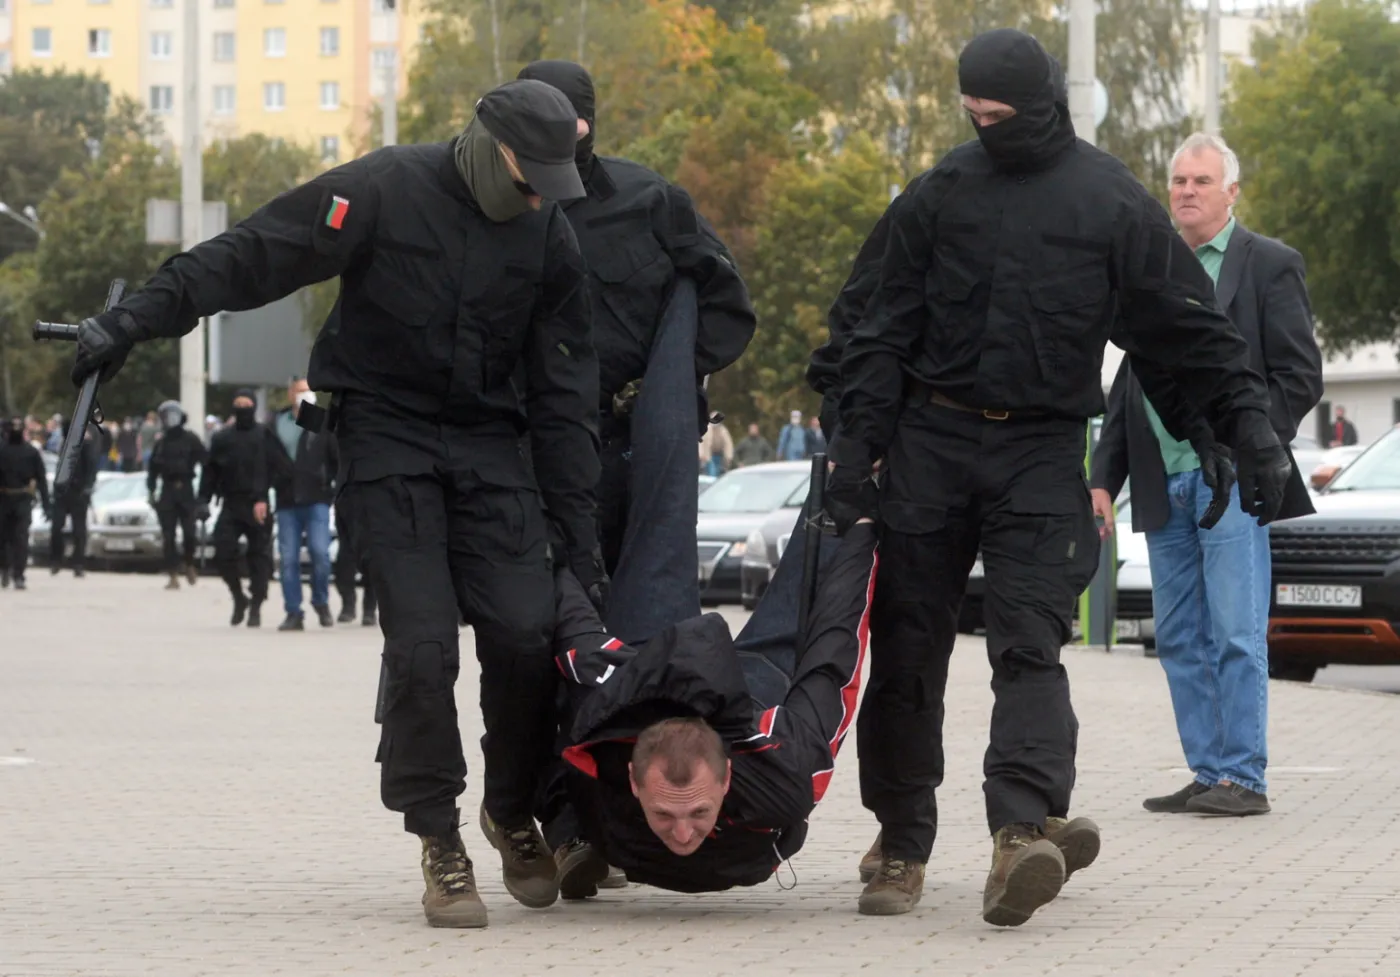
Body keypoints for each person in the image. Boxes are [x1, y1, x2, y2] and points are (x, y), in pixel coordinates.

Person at [69, 79, 603, 929]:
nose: (539, 197)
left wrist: (580, 537)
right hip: (387, 441)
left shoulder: (549, 234)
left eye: (552, 184)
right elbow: (254, 253)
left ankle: (509, 807)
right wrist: (134, 319)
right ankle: (439, 836)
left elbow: (565, 393)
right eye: (528, 178)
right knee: (422, 647)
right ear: (490, 145)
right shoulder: (383, 189)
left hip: (489, 447)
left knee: (526, 633)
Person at [826, 29, 1294, 926]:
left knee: (1029, 644)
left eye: (1000, 114)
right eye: (973, 114)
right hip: (929, 442)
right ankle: (902, 840)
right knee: (908, 649)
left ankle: (1021, 831)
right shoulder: (939, 192)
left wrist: (1249, 430)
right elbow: (872, 325)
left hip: (1042, 451)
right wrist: (852, 448)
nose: (986, 127)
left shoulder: (1109, 200)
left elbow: (1183, 330)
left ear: (1042, 104)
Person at [1091, 132, 1322, 818]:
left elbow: (1298, 375)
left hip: (1235, 484)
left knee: (1235, 633)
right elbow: (1130, 383)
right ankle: (1208, 770)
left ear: (1231, 192)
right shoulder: (1152, 271)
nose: (1186, 191)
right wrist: (1103, 477)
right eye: (1178, 180)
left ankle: (1244, 777)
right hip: (1163, 480)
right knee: (1180, 637)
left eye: (1201, 180)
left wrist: (1253, 443)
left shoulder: (1268, 264)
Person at [542, 517, 878, 896]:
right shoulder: (602, 742)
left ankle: (851, 499)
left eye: (699, 811)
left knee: (831, 533)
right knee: (657, 525)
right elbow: (572, 625)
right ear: (634, 780)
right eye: (663, 813)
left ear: (726, 777)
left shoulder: (785, 773)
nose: (683, 835)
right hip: (652, 683)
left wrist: (862, 536)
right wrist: (539, 541)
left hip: (756, 691)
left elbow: (833, 654)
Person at [515, 59, 756, 577]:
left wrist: (664, 384)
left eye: (567, 123)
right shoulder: (491, 208)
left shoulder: (648, 200)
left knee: (628, 600)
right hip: (516, 448)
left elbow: (727, 307)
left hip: (622, 452)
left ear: (587, 123)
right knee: (523, 608)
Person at [199, 390, 283, 627]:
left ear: (254, 407)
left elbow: (278, 467)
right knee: (223, 550)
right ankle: (238, 597)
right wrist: (202, 500)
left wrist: (264, 496)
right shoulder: (222, 438)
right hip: (231, 503)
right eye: (238, 404)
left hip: (258, 505)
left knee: (259, 558)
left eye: (246, 404)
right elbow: (210, 471)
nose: (242, 408)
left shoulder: (265, 435)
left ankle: (256, 604)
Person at [269, 377, 337, 631]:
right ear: (290, 394)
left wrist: (332, 486)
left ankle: (320, 600)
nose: (305, 394)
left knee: (320, 553)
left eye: (309, 390)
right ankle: (293, 611)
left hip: (317, 498)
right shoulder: (277, 423)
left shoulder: (320, 421)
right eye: (300, 390)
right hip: (287, 500)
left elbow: (334, 458)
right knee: (288, 559)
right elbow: (269, 458)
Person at [147, 399, 210, 590]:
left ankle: (189, 563)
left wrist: (204, 495)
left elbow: (206, 463)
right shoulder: (161, 443)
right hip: (167, 491)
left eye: (173, 416)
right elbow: (152, 470)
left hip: (186, 490)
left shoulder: (191, 439)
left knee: (189, 533)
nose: (170, 420)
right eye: (166, 417)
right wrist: (151, 491)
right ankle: (173, 574)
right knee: (168, 536)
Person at [1, 416, 51, 590]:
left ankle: (19, 575)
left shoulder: (31, 452)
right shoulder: (1, 450)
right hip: (3, 499)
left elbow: (41, 479)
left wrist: (46, 505)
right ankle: (5, 568)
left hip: (22, 499)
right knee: (3, 538)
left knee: (21, 538)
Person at [48, 419, 101, 578]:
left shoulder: (85, 446)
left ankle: (78, 563)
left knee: (79, 530)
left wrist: (87, 487)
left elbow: (91, 468)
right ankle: (56, 560)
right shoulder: (63, 445)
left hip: (78, 492)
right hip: (62, 493)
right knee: (56, 528)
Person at [332, 503, 375, 626]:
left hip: (374, 506)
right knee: (343, 564)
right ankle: (348, 604)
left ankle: (369, 610)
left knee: (372, 562)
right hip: (348, 503)